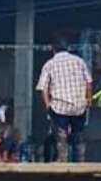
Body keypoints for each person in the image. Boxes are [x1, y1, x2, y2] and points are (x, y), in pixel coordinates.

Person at [36, 35, 92, 163]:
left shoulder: (49, 64)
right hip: (79, 105)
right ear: (68, 48)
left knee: (61, 136)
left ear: (53, 49)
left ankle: (63, 160)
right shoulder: (79, 61)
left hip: (59, 106)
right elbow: (89, 81)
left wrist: (47, 105)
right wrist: (88, 99)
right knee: (79, 135)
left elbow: (43, 87)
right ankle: (81, 162)